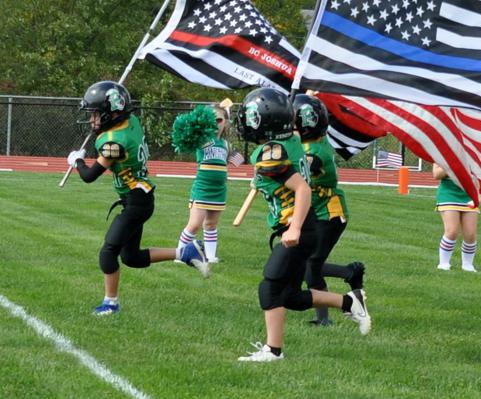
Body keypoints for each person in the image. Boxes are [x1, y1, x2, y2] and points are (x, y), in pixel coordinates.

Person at [235, 88, 370, 363]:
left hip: (299, 227)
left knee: (270, 287)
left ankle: (273, 350)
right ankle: (350, 302)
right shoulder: (292, 140)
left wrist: (294, 228)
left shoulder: (272, 152)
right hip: (302, 226)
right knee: (292, 297)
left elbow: (303, 189)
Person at [68, 81, 209, 316]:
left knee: (108, 252)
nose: (92, 120)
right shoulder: (130, 122)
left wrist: (77, 161)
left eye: (96, 114)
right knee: (131, 257)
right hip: (139, 197)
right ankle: (186, 252)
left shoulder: (114, 142)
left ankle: (110, 304)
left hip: (136, 201)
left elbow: (89, 176)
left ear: (112, 113)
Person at [292, 94, 366, 327]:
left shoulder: (315, 152)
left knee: (311, 265)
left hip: (330, 214)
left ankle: (324, 319)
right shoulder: (310, 142)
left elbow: (299, 168)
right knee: (307, 263)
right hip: (317, 211)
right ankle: (350, 273)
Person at [174, 103, 231, 264]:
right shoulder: (200, 138)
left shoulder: (226, 144)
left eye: (219, 120)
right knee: (194, 224)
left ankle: (210, 256)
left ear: (225, 122)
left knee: (211, 224)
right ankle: (179, 253)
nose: (215, 124)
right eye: (211, 120)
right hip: (203, 188)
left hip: (219, 190)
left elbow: (227, 162)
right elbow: (185, 137)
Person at [432, 162, 478, 272]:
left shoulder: (471, 153)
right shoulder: (442, 154)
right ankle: (443, 263)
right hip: (448, 194)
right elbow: (436, 174)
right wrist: (453, 163)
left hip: (469, 194)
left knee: (470, 234)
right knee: (452, 231)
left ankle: (468, 265)